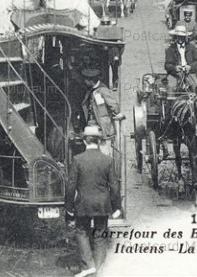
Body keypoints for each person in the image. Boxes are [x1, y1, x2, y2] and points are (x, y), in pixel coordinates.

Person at [65, 125, 121, 277]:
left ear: (84, 141)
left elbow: (71, 186)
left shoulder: (77, 160)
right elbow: (114, 186)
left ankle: (88, 265)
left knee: (81, 231)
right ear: (99, 141)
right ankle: (99, 268)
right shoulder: (108, 160)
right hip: (103, 204)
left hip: (83, 203)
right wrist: (117, 208)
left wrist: (69, 207)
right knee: (100, 234)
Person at [80, 68, 123, 154]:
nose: (84, 82)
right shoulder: (91, 90)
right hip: (92, 125)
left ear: (90, 81)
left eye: (85, 80)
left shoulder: (103, 90)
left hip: (102, 126)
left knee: (104, 151)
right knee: (91, 150)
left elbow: (114, 105)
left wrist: (116, 114)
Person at [164, 25, 197, 91]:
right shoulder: (170, 49)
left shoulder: (191, 47)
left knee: (196, 87)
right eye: (178, 37)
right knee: (171, 87)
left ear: (185, 37)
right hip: (175, 74)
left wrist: (190, 67)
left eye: (182, 37)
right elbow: (167, 65)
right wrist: (175, 68)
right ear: (175, 37)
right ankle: (171, 101)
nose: (180, 39)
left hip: (189, 73)